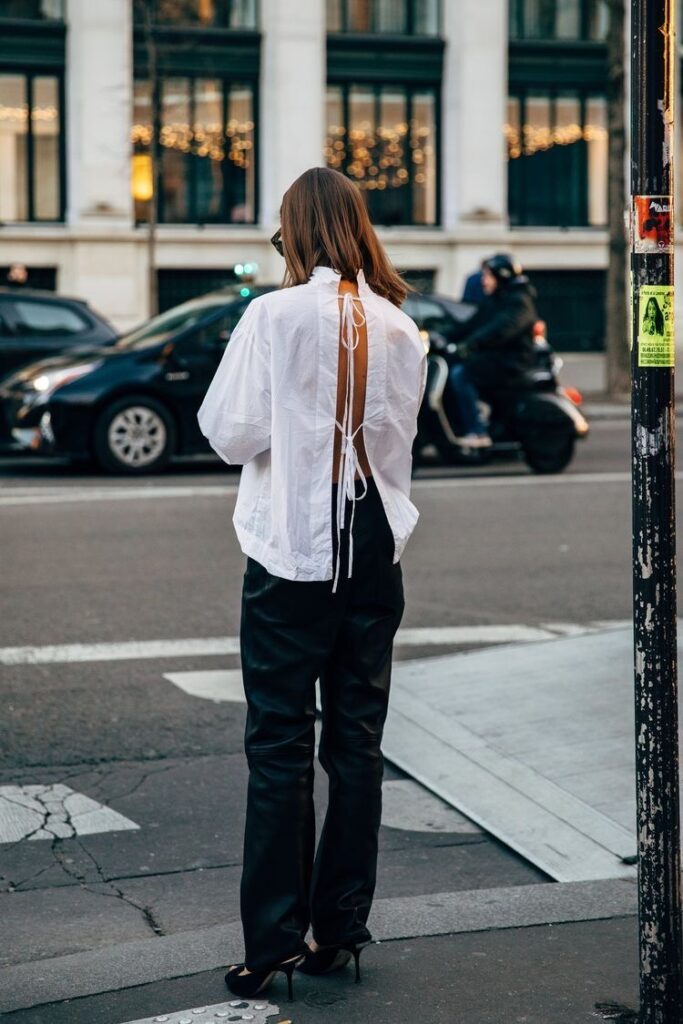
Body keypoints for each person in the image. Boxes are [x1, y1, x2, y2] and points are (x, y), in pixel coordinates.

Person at [196, 167, 427, 1002]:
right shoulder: (403, 328)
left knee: (280, 746)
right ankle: (343, 926)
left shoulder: (272, 315)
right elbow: (397, 450)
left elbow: (230, 433)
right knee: (356, 745)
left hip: (295, 549)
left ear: (294, 232)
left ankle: (270, 946)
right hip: (374, 553)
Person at [448, 253, 538, 447]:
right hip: (496, 357)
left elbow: (502, 328)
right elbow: (471, 324)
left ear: (502, 276)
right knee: (455, 367)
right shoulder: (495, 299)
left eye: (487, 276)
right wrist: (441, 335)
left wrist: (471, 344)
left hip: (512, 361)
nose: (483, 281)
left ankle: (477, 431)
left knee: (461, 374)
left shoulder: (518, 301)